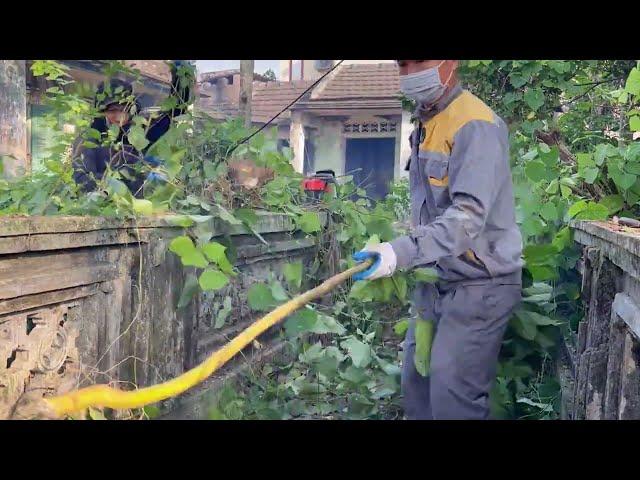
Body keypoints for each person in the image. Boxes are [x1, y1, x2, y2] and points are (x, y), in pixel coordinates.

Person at [352, 60, 523, 420]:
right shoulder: (427, 119)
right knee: (417, 384)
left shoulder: (475, 124)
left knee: (452, 396)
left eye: (421, 61)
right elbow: (431, 209)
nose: (411, 72)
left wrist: (401, 252)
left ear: (452, 63)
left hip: (481, 283)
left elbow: (467, 219)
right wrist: (397, 251)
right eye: (404, 64)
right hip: (437, 281)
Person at [72, 60, 194, 197]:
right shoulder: (89, 138)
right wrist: (107, 191)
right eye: (112, 110)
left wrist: (180, 73)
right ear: (102, 112)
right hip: (100, 207)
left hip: (135, 211)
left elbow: (176, 111)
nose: (118, 116)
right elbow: (81, 177)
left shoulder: (140, 133)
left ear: (130, 110)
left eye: (122, 110)